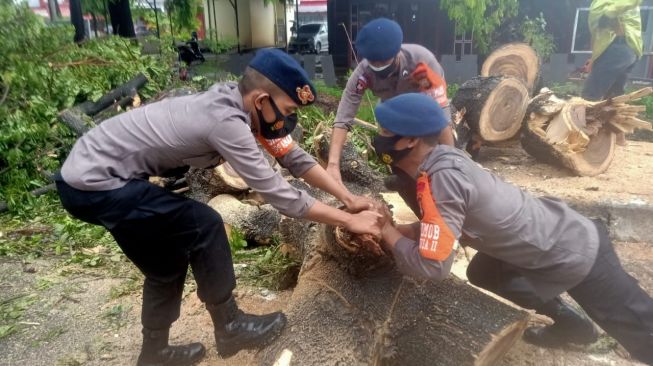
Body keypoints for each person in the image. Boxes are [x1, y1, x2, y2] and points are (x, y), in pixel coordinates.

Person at [54, 49, 382, 366]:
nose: (289, 119)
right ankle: (230, 327)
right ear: (262, 100)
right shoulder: (227, 122)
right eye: (287, 108)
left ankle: (154, 352)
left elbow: (293, 157)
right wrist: (349, 221)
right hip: (95, 185)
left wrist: (349, 199)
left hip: (93, 179)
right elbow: (280, 195)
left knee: (165, 263)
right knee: (204, 224)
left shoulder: (243, 105)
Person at [370, 93, 653, 365]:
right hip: (549, 236)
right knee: (484, 271)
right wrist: (407, 230)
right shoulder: (443, 159)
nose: (378, 136)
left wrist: (388, 233)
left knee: (643, 334)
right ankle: (570, 324)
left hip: (577, 252)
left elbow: (433, 267)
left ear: (409, 140)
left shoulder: (442, 180)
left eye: (384, 130)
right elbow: (447, 220)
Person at [326, 18, 455, 214]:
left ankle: (444, 206)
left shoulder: (421, 61)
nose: (377, 66)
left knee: (435, 167)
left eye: (382, 62)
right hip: (391, 114)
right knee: (394, 158)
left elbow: (440, 116)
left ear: (396, 53)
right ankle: (418, 206)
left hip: (424, 113)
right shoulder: (364, 72)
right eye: (373, 62)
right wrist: (333, 164)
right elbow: (344, 117)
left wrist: (451, 163)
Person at [582, 0, 643, 145]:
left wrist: (610, 13)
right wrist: (593, 58)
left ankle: (581, 137)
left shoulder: (606, 3)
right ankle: (619, 137)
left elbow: (617, 9)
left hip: (618, 47)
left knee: (590, 96)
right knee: (615, 97)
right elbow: (596, 34)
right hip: (630, 51)